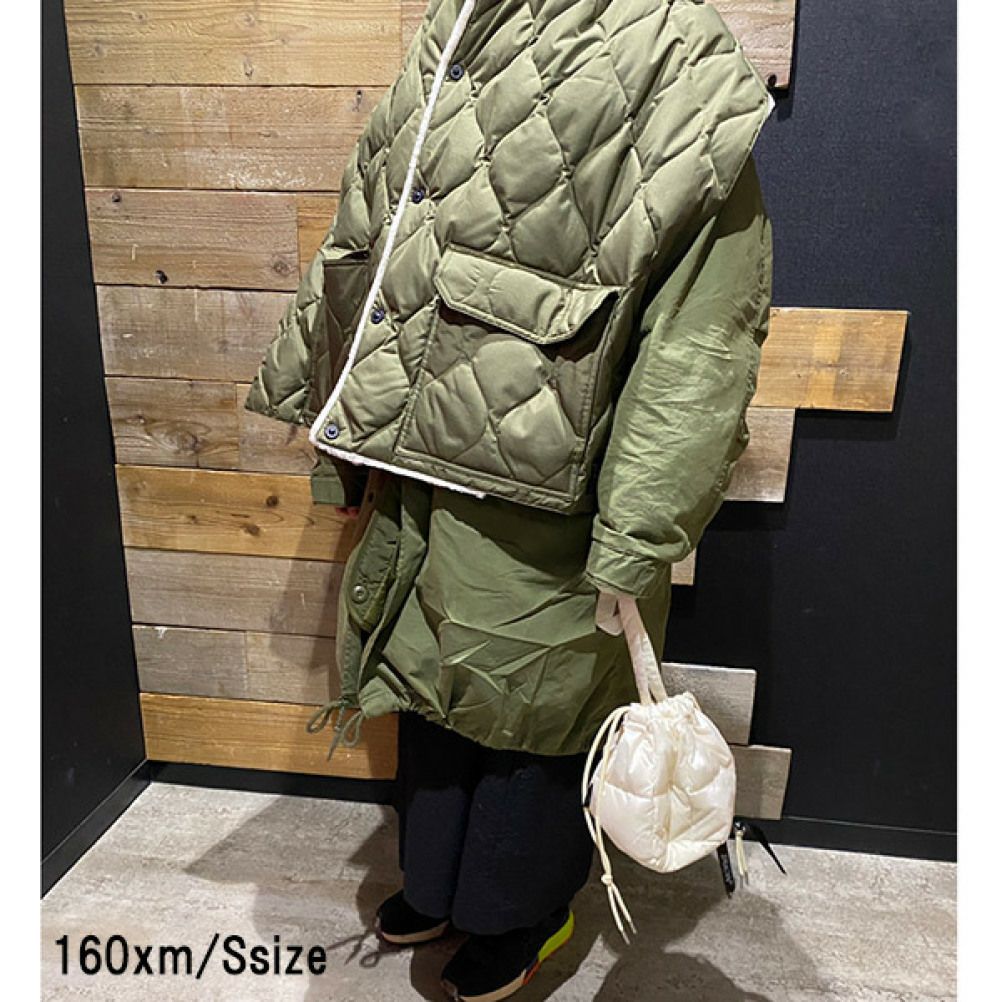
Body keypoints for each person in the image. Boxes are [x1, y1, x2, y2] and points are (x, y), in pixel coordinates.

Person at [244, 2, 774, 998]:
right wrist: (338, 434)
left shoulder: (684, 63)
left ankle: (520, 913)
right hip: (421, 453)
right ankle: (441, 885)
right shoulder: (464, 20)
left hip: (552, 489)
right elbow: (373, 226)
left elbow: (700, 344)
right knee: (429, 681)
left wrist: (635, 536)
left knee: (532, 708)